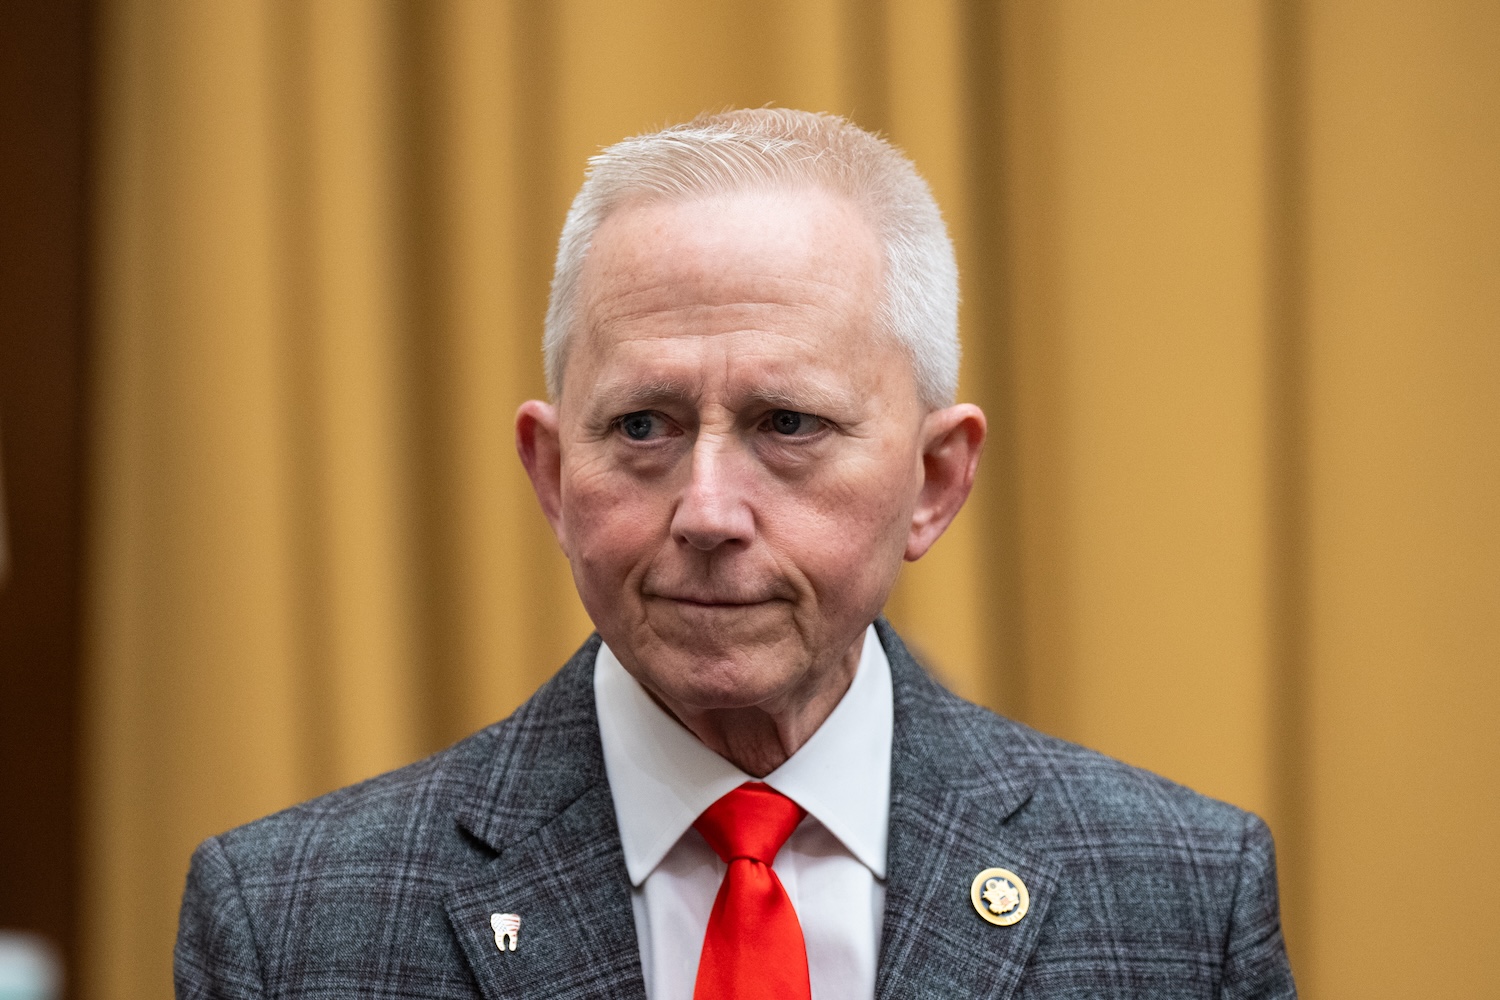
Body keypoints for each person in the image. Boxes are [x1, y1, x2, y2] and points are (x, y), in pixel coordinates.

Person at [176, 109, 1295, 1000]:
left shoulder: (1179, 903)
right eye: (643, 427)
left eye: (788, 425)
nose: (708, 510)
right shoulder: (291, 926)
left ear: (936, 479)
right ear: (555, 474)